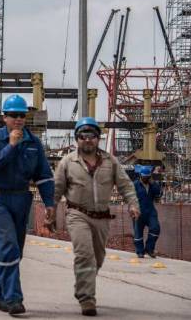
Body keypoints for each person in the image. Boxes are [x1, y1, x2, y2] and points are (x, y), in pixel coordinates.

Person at [53, 117, 140, 316]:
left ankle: (84, 284)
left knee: (97, 259)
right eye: (82, 136)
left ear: (98, 138)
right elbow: (56, 190)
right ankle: (86, 299)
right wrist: (51, 214)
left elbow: (126, 185)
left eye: (91, 135)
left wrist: (133, 204)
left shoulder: (110, 161)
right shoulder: (68, 162)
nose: (87, 140)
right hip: (77, 214)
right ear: (77, 139)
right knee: (85, 255)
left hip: (102, 217)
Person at [0, 94, 56, 315]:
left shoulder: (33, 143)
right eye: (13, 115)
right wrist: (12, 146)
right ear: (4, 117)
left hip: (21, 199)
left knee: (15, 253)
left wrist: (50, 203)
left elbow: (44, 175)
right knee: (8, 247)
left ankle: (0, 294)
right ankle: (14, 298)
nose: (18, 119)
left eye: (22, 115)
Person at [133, 165, 162, 258]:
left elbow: (159, 193)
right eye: (145, 177)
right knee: (138, 233)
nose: (146, 179)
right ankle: (140, 251)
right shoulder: (135, 184)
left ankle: (149, 249)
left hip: (150, 211)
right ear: (141, 176)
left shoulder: (152, 184)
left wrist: (153, 183)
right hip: (138, 211)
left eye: (148, 177)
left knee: (155, 228)